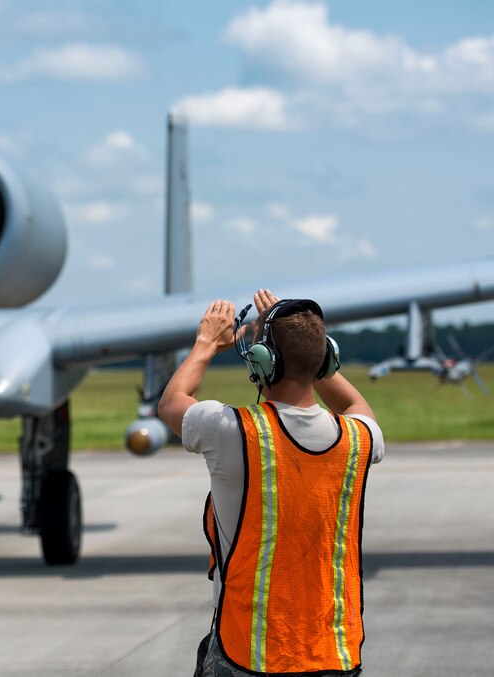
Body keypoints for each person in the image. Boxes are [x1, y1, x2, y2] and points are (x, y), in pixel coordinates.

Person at [158, 289, 384, 677]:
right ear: (327, 361)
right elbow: (353, 407)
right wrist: (312, 355)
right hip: (334, 654)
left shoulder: (232, 431)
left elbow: (172, 402)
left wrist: (207, 342)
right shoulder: (360, 439)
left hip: (250, 654)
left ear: (263, 364)